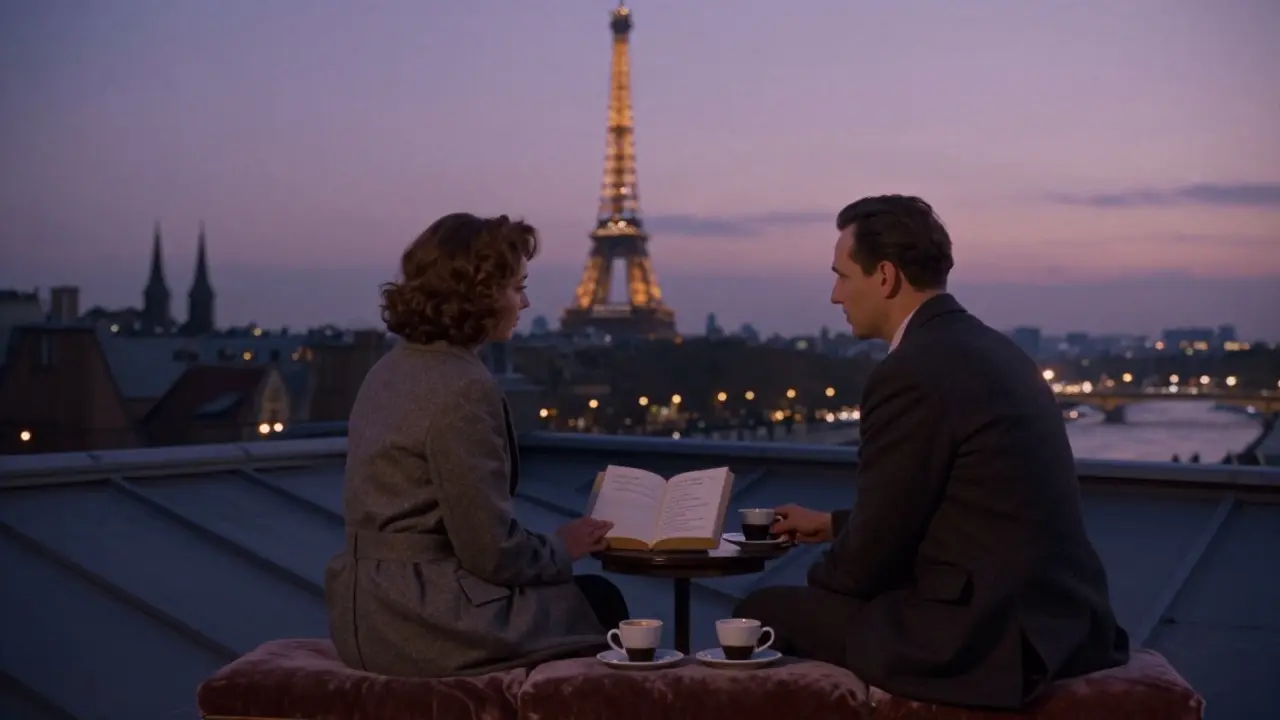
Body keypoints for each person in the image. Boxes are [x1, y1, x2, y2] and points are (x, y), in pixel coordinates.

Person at [734, 195, 1129, 709]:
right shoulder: (994, 349)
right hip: (1066, 624)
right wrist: (834, 525)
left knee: (762, 613)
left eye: (842, 275)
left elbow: (867, 562)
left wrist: (828, 576)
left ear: (885, 277)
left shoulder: (910, 372)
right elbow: (959, 504)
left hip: (986, 639)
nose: (834, 296)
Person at [324, 212, 628, 678]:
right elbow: (489, 551)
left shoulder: (389, 368)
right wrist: (561, 546)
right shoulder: (463, 387)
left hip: (366, 609)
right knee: (601, 603)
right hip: (424, 617)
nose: (524, 302)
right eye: (516, 287)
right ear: (479, 295)